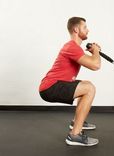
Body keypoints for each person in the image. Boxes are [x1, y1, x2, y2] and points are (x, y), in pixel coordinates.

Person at [39, 17, 101, 146]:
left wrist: (94, 53)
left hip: (52, 85)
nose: (88, 30)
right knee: (89, 88)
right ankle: (74, 135)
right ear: (76, 29)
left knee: (84, 84)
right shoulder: (71, 47)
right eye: (85, 27)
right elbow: (95, 65)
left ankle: (76, 122)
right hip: (50, 88)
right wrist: (96, 52)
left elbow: (91, 62)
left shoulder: (74, 48)